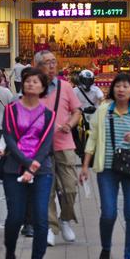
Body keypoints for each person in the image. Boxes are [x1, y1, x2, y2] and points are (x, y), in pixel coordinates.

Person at [79, 73, 130, 259]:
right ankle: (106, 247)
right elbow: (92, 139)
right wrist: (85, 166)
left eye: (126, 86)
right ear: (113, 89)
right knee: (109, 213)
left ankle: (129, 258)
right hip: (108, 169)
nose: (121, 89)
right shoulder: (103, 111)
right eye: (118, 86)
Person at [0, 67, 56, 259]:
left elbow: (46, 144)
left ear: (42, 87)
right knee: (15, 216)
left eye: (36, 81)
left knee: (41, 217)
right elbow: (9, 140)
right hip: (14, 168)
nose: (31, 84)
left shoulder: (49, 115)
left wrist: (34, 166)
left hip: (41, 170)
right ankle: (10, 249)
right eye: (28, 81)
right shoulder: (11, 110)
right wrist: (26, 162)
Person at [36, 50, 82, 246]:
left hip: (64, 144)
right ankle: (50, 227)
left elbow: (77, 111)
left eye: (54, 62)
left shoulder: (65, 87)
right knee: (47, 191)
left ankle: (65, 219)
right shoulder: (33, 87)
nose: (52, 65)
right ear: (38, 66)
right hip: (41, 147)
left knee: (70, 188)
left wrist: (70, 124)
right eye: (47, 62)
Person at [73, 69, 103, 156]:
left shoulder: (96, 89)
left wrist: (100, 108)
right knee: (72, 128)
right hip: (80, 114)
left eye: (89, 80)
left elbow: (101, 98)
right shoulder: (75, 90)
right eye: (85, 80)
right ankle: (77, 147)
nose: (87, 82)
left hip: (95, 113)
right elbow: (70, 101)